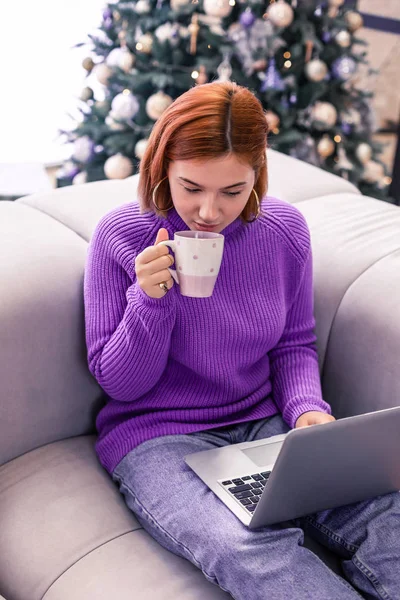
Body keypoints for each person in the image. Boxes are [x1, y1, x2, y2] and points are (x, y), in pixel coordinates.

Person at [84, 81, 400, 600]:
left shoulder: (284, 232)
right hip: (157, 439)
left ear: (257, 175)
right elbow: (121, 385)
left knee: (385, 513)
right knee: (245, 550)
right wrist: (149, 300)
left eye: (232, 191)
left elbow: (293, 344)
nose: (209, 211)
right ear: (163, 167)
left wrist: (307, 415)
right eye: (191, 187)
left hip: (266, 423)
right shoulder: (120, 236)